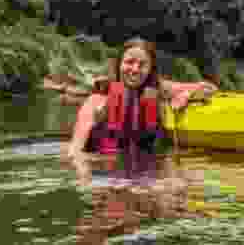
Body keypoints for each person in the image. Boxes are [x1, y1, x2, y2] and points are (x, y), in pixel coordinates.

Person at [63, 37, 218, 163]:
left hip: (146, 173)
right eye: (129, 62)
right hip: (105, 172)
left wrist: (185, 95)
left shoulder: (158, 89)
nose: (135, 69)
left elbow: (209, 88)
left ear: (150, 69)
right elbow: (75, 150)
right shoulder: (96, 101)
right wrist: (87, 181)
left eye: (142, 65)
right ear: (119, 64)